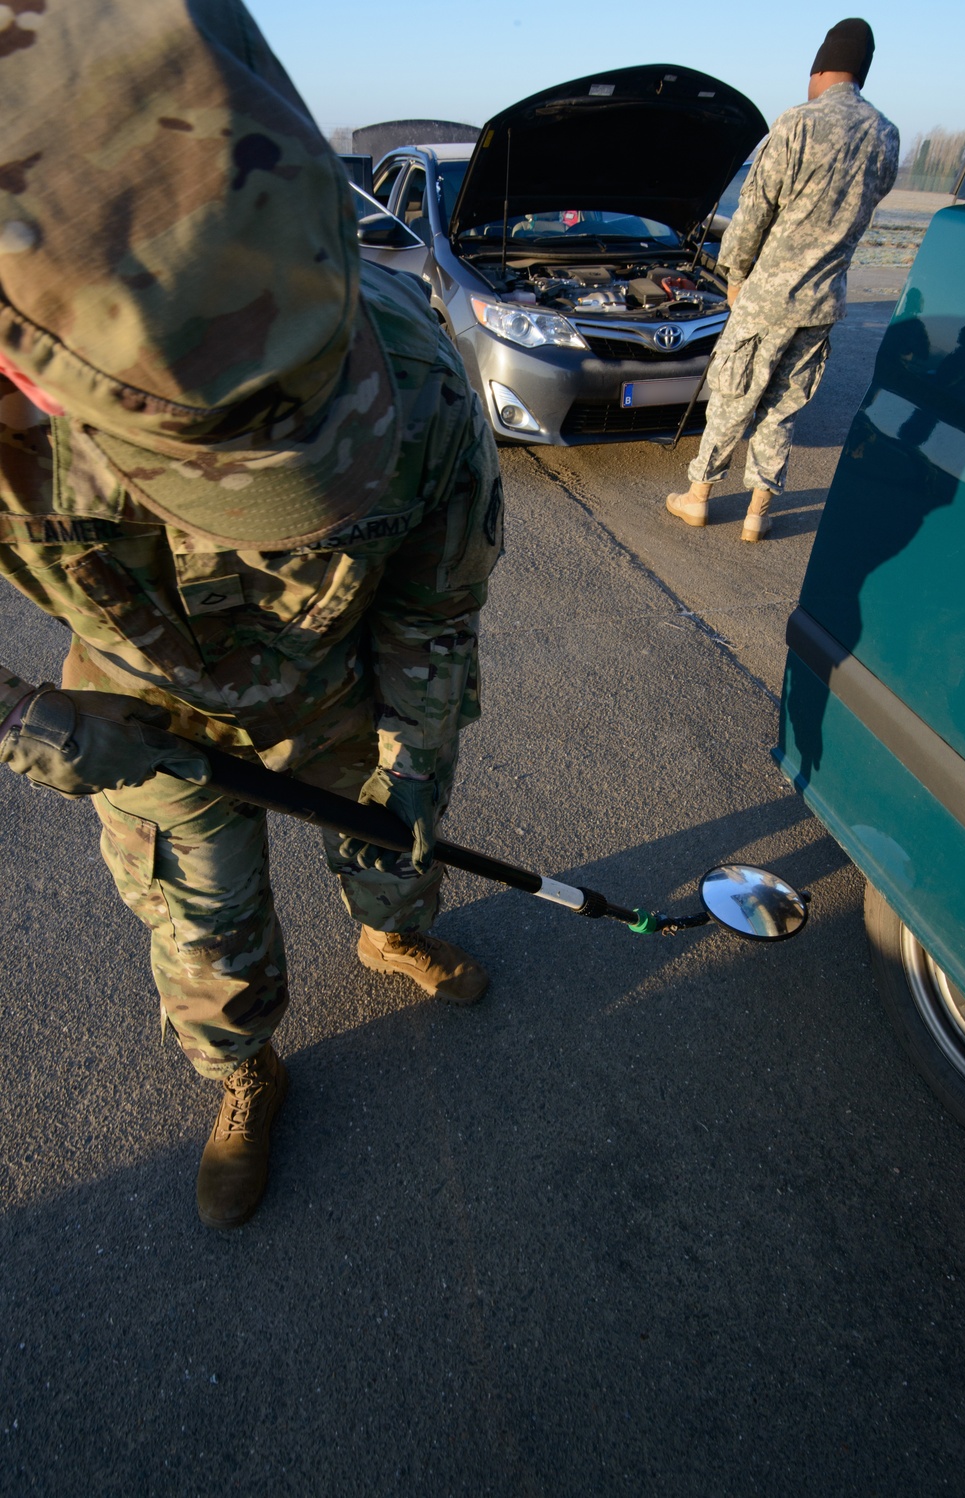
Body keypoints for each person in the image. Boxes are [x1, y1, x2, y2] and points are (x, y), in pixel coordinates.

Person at [0, 0, 502, 1230]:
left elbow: (433, 617)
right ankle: (243, 1069)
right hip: (141, 718)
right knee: (202, 921)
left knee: (395, 833)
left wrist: (412, 763)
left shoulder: (424, 383)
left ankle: (391, 932)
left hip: (335, 684)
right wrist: (27, 717)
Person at [665, 18, 899, 541]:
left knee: (733, 391)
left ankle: (698, 496)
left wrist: (735, 275)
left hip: (769, 295)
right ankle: (757, 512)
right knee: (784, 404)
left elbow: (751, 214)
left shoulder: (797, 124)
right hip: (823, 301)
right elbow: (867, 203)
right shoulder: (884, 134)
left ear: (818, 69)